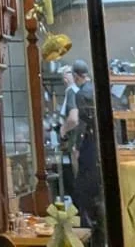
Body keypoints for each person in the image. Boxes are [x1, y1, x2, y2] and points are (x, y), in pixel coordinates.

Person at [71, 60, 105, 247]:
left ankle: (89, 239)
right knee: (98, 197)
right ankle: (101, 238)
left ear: (76, 76)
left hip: (89, 149)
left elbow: (81, 124)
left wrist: (76, 146)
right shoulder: (97, 89)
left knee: (84, 195)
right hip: (101, 149)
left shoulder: (81, 94)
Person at [57, 66, 79, 199]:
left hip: (76, 141)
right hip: (79, 141)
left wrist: (63, 130)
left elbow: (73, 119)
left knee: (78, 176)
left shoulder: (72, 92)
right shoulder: (76, 91)